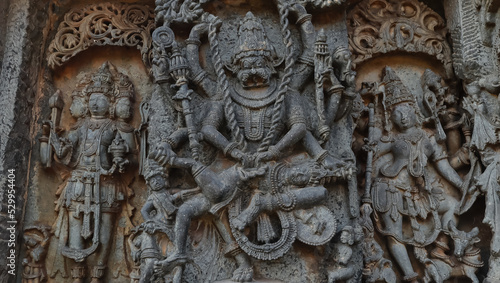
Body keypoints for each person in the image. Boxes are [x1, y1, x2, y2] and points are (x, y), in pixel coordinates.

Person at [369, 67, 463, 282]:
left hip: (419, 192)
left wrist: (461, 185)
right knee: (394, 234)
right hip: (389, 189)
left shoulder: (428, 136)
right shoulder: (392, 138)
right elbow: (372, 154)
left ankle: (441, 246)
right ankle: (409, 275)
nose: (402, 117)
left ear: (413, 109)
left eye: (405, 110)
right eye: (396, 113)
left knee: (452, 205)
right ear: (390, 117)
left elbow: (444, 166)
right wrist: (371, 132)